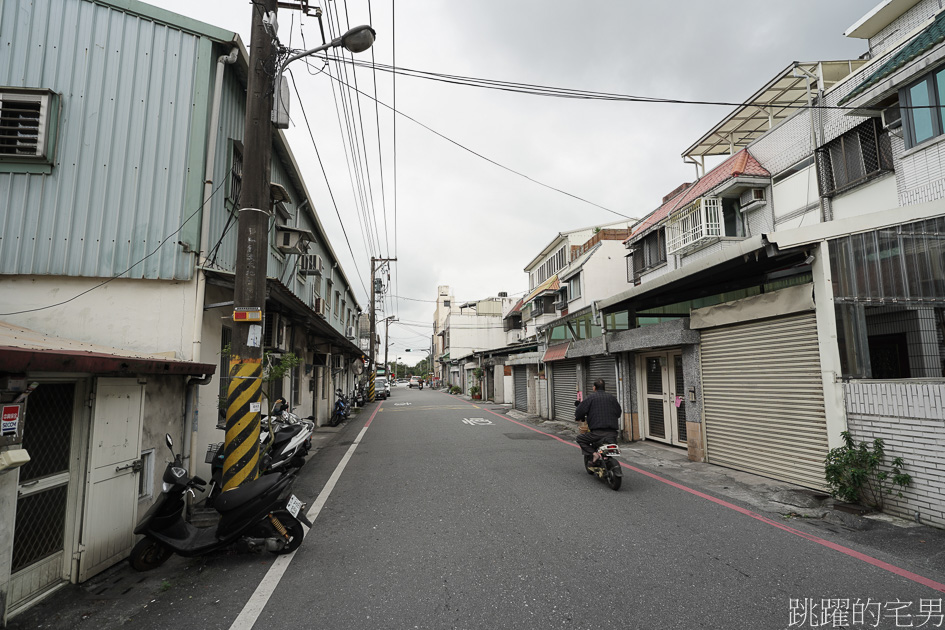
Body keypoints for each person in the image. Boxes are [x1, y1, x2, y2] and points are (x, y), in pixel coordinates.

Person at [574, 379, 621, 465]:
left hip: (597, 434)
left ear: (594, 388)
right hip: (613, 434)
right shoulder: (612, 398)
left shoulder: (590, 398)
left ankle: (594, 454)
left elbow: (579, 411)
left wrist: (579, 418)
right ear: (604, 387)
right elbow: (618, 413)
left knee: (580, 438)